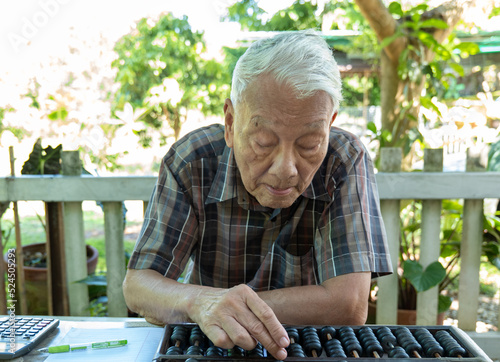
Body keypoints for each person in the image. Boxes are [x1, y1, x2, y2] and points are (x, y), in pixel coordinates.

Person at [123, 31, 392, 360]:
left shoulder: (343, 160)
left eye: (309, 144)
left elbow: (348, 305)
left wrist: (228, 307)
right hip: (211, 348)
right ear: (231, 121)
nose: (286, 169)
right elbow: (139, 285)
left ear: (330, 124)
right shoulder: (192, 161)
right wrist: (201, 303)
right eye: (264, 141)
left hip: (309, 348)